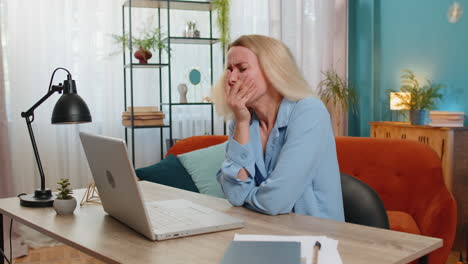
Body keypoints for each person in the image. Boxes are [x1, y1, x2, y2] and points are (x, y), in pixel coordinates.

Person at [212, 35, 344, 221]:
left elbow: (275, 201)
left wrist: (248, 197)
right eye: (229, 69)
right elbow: (234, 196)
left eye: (242, 68)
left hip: (315, 239)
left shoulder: (309, 112)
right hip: (265, 229)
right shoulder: (242, 118)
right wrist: (241, 122)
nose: (232, 78)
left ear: (272, 71)